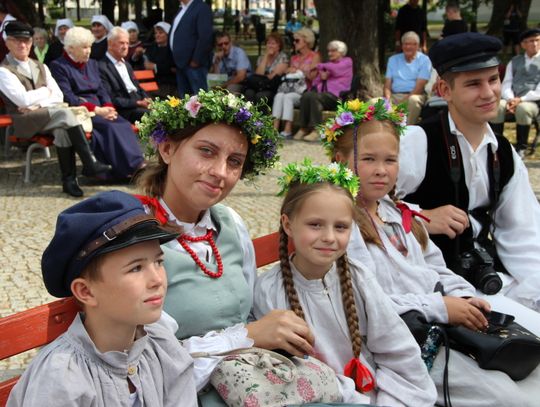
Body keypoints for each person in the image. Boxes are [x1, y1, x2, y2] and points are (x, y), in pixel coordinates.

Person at [324, 97, 540, 406]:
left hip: (438, 326)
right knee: (506, 397)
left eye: (390, 160)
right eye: (369, 159)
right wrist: (440, 306)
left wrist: (463, 296)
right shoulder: (342, 223)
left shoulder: (397, 213)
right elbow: (364, 301)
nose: (381, 171)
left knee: (532, 373)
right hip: (397, 344)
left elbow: (435, 267)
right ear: (341, 159)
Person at [135, 89, 317, 406]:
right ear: (167, 148)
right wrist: (246, 336)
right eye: (206, 151)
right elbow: (139, 356)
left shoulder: (229, 222)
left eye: (234, 162)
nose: (221, 172)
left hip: (246, 382)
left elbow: (247, 312)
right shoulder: (136, 236)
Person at [253, 160, 437, 406]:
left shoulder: (359, 279)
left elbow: (399, 353)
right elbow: (284, 378)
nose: (329, 237)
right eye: (315, 224)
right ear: (288, 224)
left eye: (340, 227)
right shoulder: (268, 291)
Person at [6, 190, 198, 407]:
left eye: (159, 262)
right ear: (86, 292)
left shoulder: (162, 346)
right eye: (136, 268)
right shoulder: (61, 378)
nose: (157, 280)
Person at [395, 32, 540, 312]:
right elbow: (358, 206)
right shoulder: (416, 140)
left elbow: (523, 234)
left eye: (493, 80)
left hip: (482, 278)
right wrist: (415, 219)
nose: (488, 93)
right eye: (473, 83)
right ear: (444, 91)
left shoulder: (504, 153)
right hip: (420, 282)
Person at [0, 21, 111, 197]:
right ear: (7, 43)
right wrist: (45, 91)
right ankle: (89, 161)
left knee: (62, 128)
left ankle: (69, 181)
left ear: (31, 43)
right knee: (65, 113)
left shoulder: (41, 66)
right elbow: (21, 100)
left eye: (26, 41)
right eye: (16, 41)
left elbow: (58, 96)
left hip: (49, 115)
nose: (22, 45)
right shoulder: (4, 71)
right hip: (26, 122)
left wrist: (37, 103)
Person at [50, 26, 145, 180]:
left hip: (102, 109)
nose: (88, 51)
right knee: (109, 127)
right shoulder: (59, 66)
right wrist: (97, 110)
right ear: (71, 49)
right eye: (84, 47)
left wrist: (109, 107)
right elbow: (68, 97)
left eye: (90, 47)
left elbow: (102, 90)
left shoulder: (92, 64)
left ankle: (134, 165)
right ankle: (127, 169)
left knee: (122, 123)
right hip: (80, 111)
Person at [491, 28, 540, 156]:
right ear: (523, 45)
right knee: (497, 106)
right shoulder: (514, 61)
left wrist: (521, 100)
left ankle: (521, 147)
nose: (534, 44)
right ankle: (497, 145)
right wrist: (510, 99)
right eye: (530, 41)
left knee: (523, 108)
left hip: (533, 102)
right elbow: (506, 82)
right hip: (512, 99)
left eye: (537, 40)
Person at [293, 40, 352, 142]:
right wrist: (322, 78)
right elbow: (316, 82)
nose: (330, 53)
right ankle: (303, 127)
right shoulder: (328, 65)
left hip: (336, 96)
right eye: (329, 51)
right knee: (307, 95)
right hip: (324, 96)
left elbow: (337, 69)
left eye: (333, 51)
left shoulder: (347, 61)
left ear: (341, 52)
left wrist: (319, 66)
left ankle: (316, 130)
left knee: (315, 97)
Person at [272, 27, 320, 139]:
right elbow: (288, 74)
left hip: (305, 91)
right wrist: (288, 70)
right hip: (292, 88)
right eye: (294, 40)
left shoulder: (315, 56)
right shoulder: (294, 58)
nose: (294, 43)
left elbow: (313, 77)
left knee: (287, 97)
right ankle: (274, 128)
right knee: (279, 95)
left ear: (307, 41)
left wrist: (300, 71)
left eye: (297, 40)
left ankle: (288, 129)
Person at [98, 26, 151, 123]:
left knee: (167, 111)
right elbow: (111, 98)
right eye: (121, 43)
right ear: (110, 43)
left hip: (139, 103)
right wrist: (137, 103)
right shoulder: (101, 67)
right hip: (124, 110)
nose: (125, 47)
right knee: (155, 116)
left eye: (127, 43)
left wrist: (147, 99)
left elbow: (137, 87)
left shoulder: (127, 65)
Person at [384, 31, 432, 125]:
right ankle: (385, 132)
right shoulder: (393, 59)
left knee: (413, 101)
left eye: (412, 44)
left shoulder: (424, 60)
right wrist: (387, 99)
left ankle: (407, 131)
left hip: (415, 95)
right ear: (402, 45)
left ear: (418, 46)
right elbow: (387, 84)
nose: (408, 47)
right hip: (395, 96)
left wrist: (402, 102)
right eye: (406, 44)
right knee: (374, 102)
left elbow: (419, 87)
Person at [169, 0, 213, 97]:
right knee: (185, 101)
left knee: (200, 100)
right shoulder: (181, 9)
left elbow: (205, 37)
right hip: (180, 65)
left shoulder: (201, 8)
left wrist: (196, 60)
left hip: (194, 65)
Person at [243, 32, 288, 105]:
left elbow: (272, 77)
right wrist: (266, 56)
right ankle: (248, 116)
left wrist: (262, 78)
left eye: (273, 44)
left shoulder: (283, 58)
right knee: (249, 93)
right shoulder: (262, 58)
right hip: (259, 86)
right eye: (268, 43)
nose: (270, 46)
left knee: (261, 96)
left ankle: (261, 116)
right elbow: (258, 74)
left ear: (279, 46)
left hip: (272, 87)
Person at [143, 21, 177, 98]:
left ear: (168, 35)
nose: (157, 35)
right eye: (156, 33)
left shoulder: (172, 50)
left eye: (160, 33)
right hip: (152, 83)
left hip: (168, 85)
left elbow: (173, 68)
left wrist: (155, 67)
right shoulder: (151, 48)